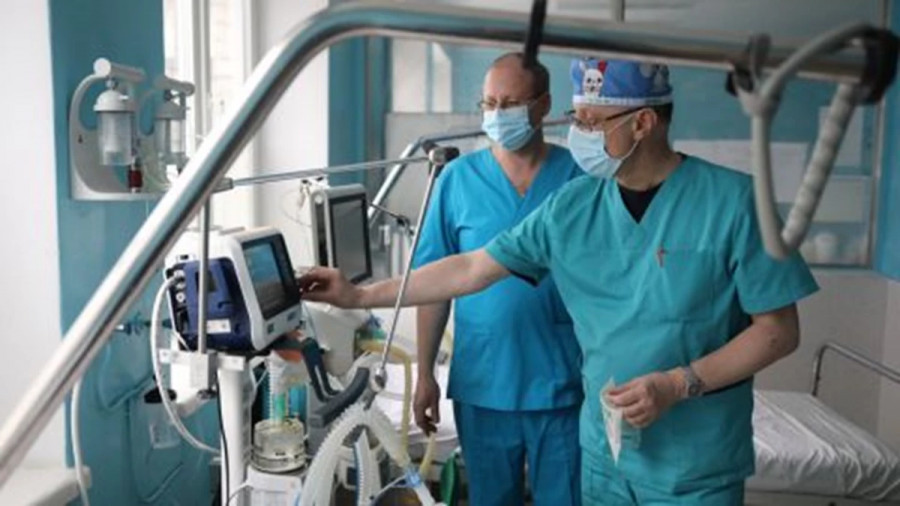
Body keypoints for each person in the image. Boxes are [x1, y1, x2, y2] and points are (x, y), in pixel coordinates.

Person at [299, 58, 819, 505]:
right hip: (605, 454)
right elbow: (470, 267)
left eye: (592, 121)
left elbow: (778, 331)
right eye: (577, 118)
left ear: (642, 123)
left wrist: (677, 384)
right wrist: (360, 294)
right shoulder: (572, 206)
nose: (579, 133)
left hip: (694, 462)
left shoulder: (735, 203)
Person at [411, 52, 583, 506]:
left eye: (510, 103)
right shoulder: (456, 180)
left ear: (543, 105)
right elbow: (432, 286)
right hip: (484, 382)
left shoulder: (579, 177)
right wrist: (425, 373)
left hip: (562, 384)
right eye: (489, 103)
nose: (497, 114)